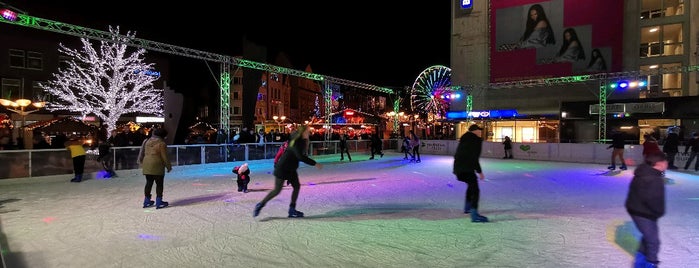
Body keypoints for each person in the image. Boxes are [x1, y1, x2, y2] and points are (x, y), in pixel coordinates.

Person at [253, 125, 323, 218]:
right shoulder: (295, 142)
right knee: (277, 190)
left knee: (297, 186)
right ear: (302, 132)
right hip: (282, 168)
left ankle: (292, 209)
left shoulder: (302, 141)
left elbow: (299, 156)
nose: (309, 133)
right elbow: (300, 157)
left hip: (291, 169)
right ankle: (260, 204)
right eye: (307, 131)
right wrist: (314, 163)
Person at [625, 151, 667, 267]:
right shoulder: (653, 179)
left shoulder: (644, 171)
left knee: (647, 237)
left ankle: (639, 263)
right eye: (665, 161)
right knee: (653, 242)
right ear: (659, 164)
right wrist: (658, 212)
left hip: (636, 209)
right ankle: (650, 264)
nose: (667, 163)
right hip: (644, 213)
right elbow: (653, 200)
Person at [453, 124, 488, 223]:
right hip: (467, 169)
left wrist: (457, 168)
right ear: (474, 131)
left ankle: (467, 207)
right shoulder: (476, 140)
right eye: (479, 130)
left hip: (459, 169)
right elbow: (474, 157)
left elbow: (458, 155)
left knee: (471, 185)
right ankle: (474, 214)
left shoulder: (464, 138)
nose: (480, 132)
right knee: (475, 190)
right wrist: (479, 172)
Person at [137, 128, 172, 209]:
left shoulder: (146, 141)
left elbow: (141, 151)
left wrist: (140, 161)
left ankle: (147, 200)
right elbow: (164, 157)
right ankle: (159, 201)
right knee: (159, 184)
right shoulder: (162, 143)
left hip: (147, 164)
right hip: (157, 164)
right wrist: (168, 166)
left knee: (149, 182)